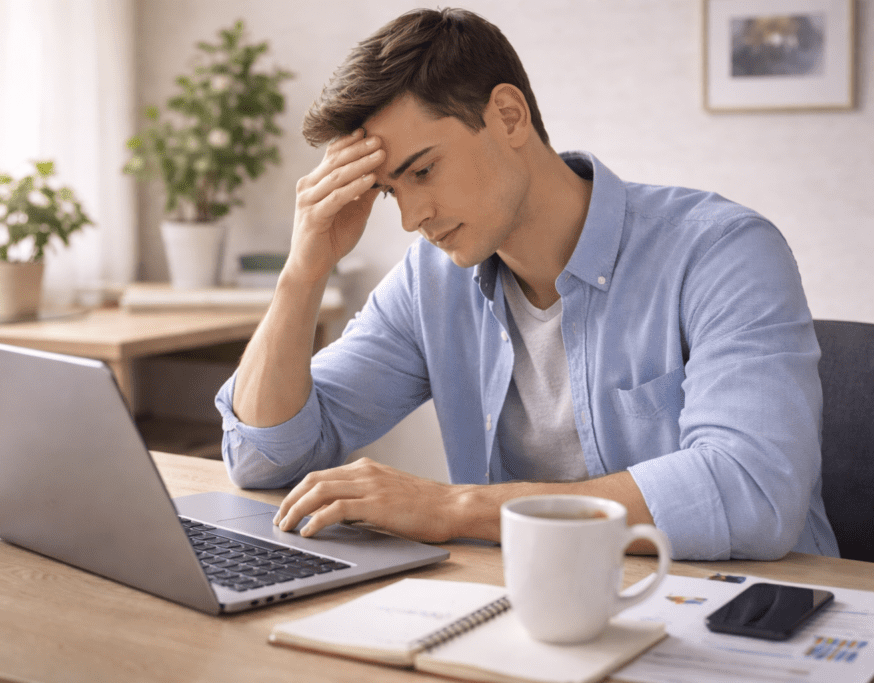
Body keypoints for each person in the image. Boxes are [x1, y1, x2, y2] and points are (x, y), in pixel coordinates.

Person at [214, 7, 839, 561]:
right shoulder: (430, 281)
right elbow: (266, 459)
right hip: (534, 614)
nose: (411, 218)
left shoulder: (721, 252)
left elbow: (753, 489)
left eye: (423, 170)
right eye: (388, 192)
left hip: (743, 617)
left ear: (509, 116)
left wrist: (454, 509)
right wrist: (303, 273)